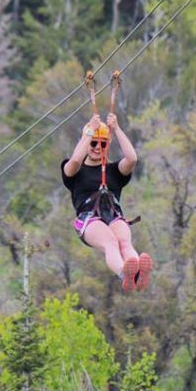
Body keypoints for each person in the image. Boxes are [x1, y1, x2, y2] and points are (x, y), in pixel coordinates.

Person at [61, 112, 152, 293]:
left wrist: (116, 129)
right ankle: (123, 273)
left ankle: (137, 274)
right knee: (111, 242)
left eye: (102, 144)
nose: (97, 147)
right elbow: (76, 159)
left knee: (124, 242)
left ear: (107, 145)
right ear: (86, 143)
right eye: (93, 143)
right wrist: (90, 132)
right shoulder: (73, 170)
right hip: (88, 220)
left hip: (113, 216)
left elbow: (132, 158)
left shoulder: (114, 171)